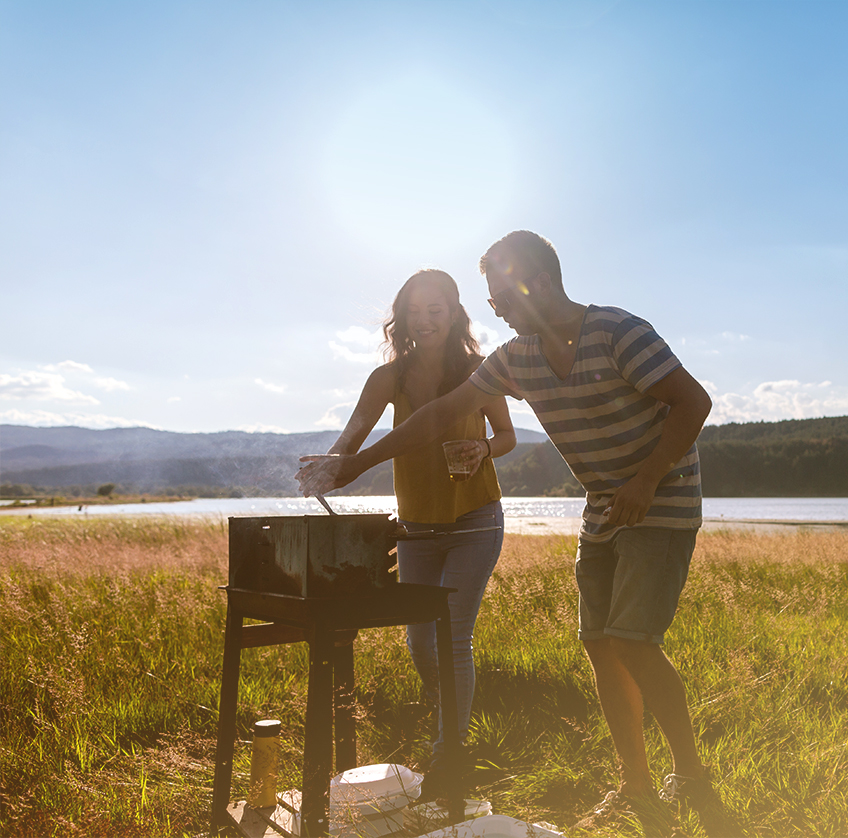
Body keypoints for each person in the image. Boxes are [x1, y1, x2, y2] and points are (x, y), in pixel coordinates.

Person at [298, 232, 730, 838]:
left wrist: (648, 479)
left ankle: (690, 778)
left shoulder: (618, 331)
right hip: (604, 506)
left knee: (632, 641)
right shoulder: (516, 358)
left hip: (659, 500)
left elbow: (694, 401)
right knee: (602, 648)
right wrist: (356, 463)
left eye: (502, 290)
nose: (495, 303)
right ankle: (635, 784)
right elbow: (438, 415)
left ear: (540, 281)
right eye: (491, 294)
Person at [320, 269, 517, 789]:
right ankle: (450, 710)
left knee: (454, 638)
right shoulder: (388, 378)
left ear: (454, 314)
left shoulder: (480, 371)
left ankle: (450, 750)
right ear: (402, 318)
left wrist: (485, 448)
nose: (425, 320)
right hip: (415, 526)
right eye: (415, 311)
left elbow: (508, 435)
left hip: (477, 519)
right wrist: (330, 463)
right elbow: (351, 437)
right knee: (419, 644)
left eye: (436, 310)